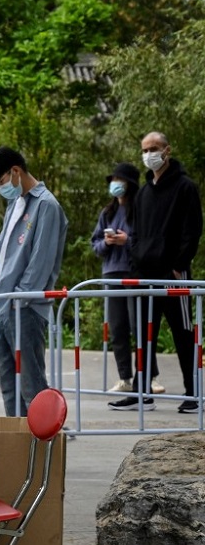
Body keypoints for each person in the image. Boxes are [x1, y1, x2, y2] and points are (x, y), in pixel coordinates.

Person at [0, 147, 67, 417]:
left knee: (32, 385)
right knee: (9, 386)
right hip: (3, 307)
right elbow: (10, 253)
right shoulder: (16, 202)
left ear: (15, 171)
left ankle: (44, 442)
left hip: (24, 308)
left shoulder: (46, 205)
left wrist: (18, 299)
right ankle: (20, 443)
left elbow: (40, 264)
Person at [120, 132, 203, 413]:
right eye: (145, 149)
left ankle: (194, 393)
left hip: (174, 276)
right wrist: (136, 263)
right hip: (146, 275)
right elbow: (136, 233)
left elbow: (192, 231)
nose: (149, 154)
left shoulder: (185, 187)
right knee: (143, 334)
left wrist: (179, 265)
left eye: (154, 148)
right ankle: (140, 391)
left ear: (167, 150)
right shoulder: (143, 193)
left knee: (182, 333)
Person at [91, 163, 163, 398]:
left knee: (139, 327)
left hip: (134, 274)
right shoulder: (107, 212)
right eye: (113, 179)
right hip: (111, 274)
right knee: (117, 328)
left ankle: (149, 377)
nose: (115, 184)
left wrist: (127, 240)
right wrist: (107, 243)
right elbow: (95, 245)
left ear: (129, 184)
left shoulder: (140, 210)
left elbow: (147, 242)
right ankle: (125, 378)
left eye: (119, 180)